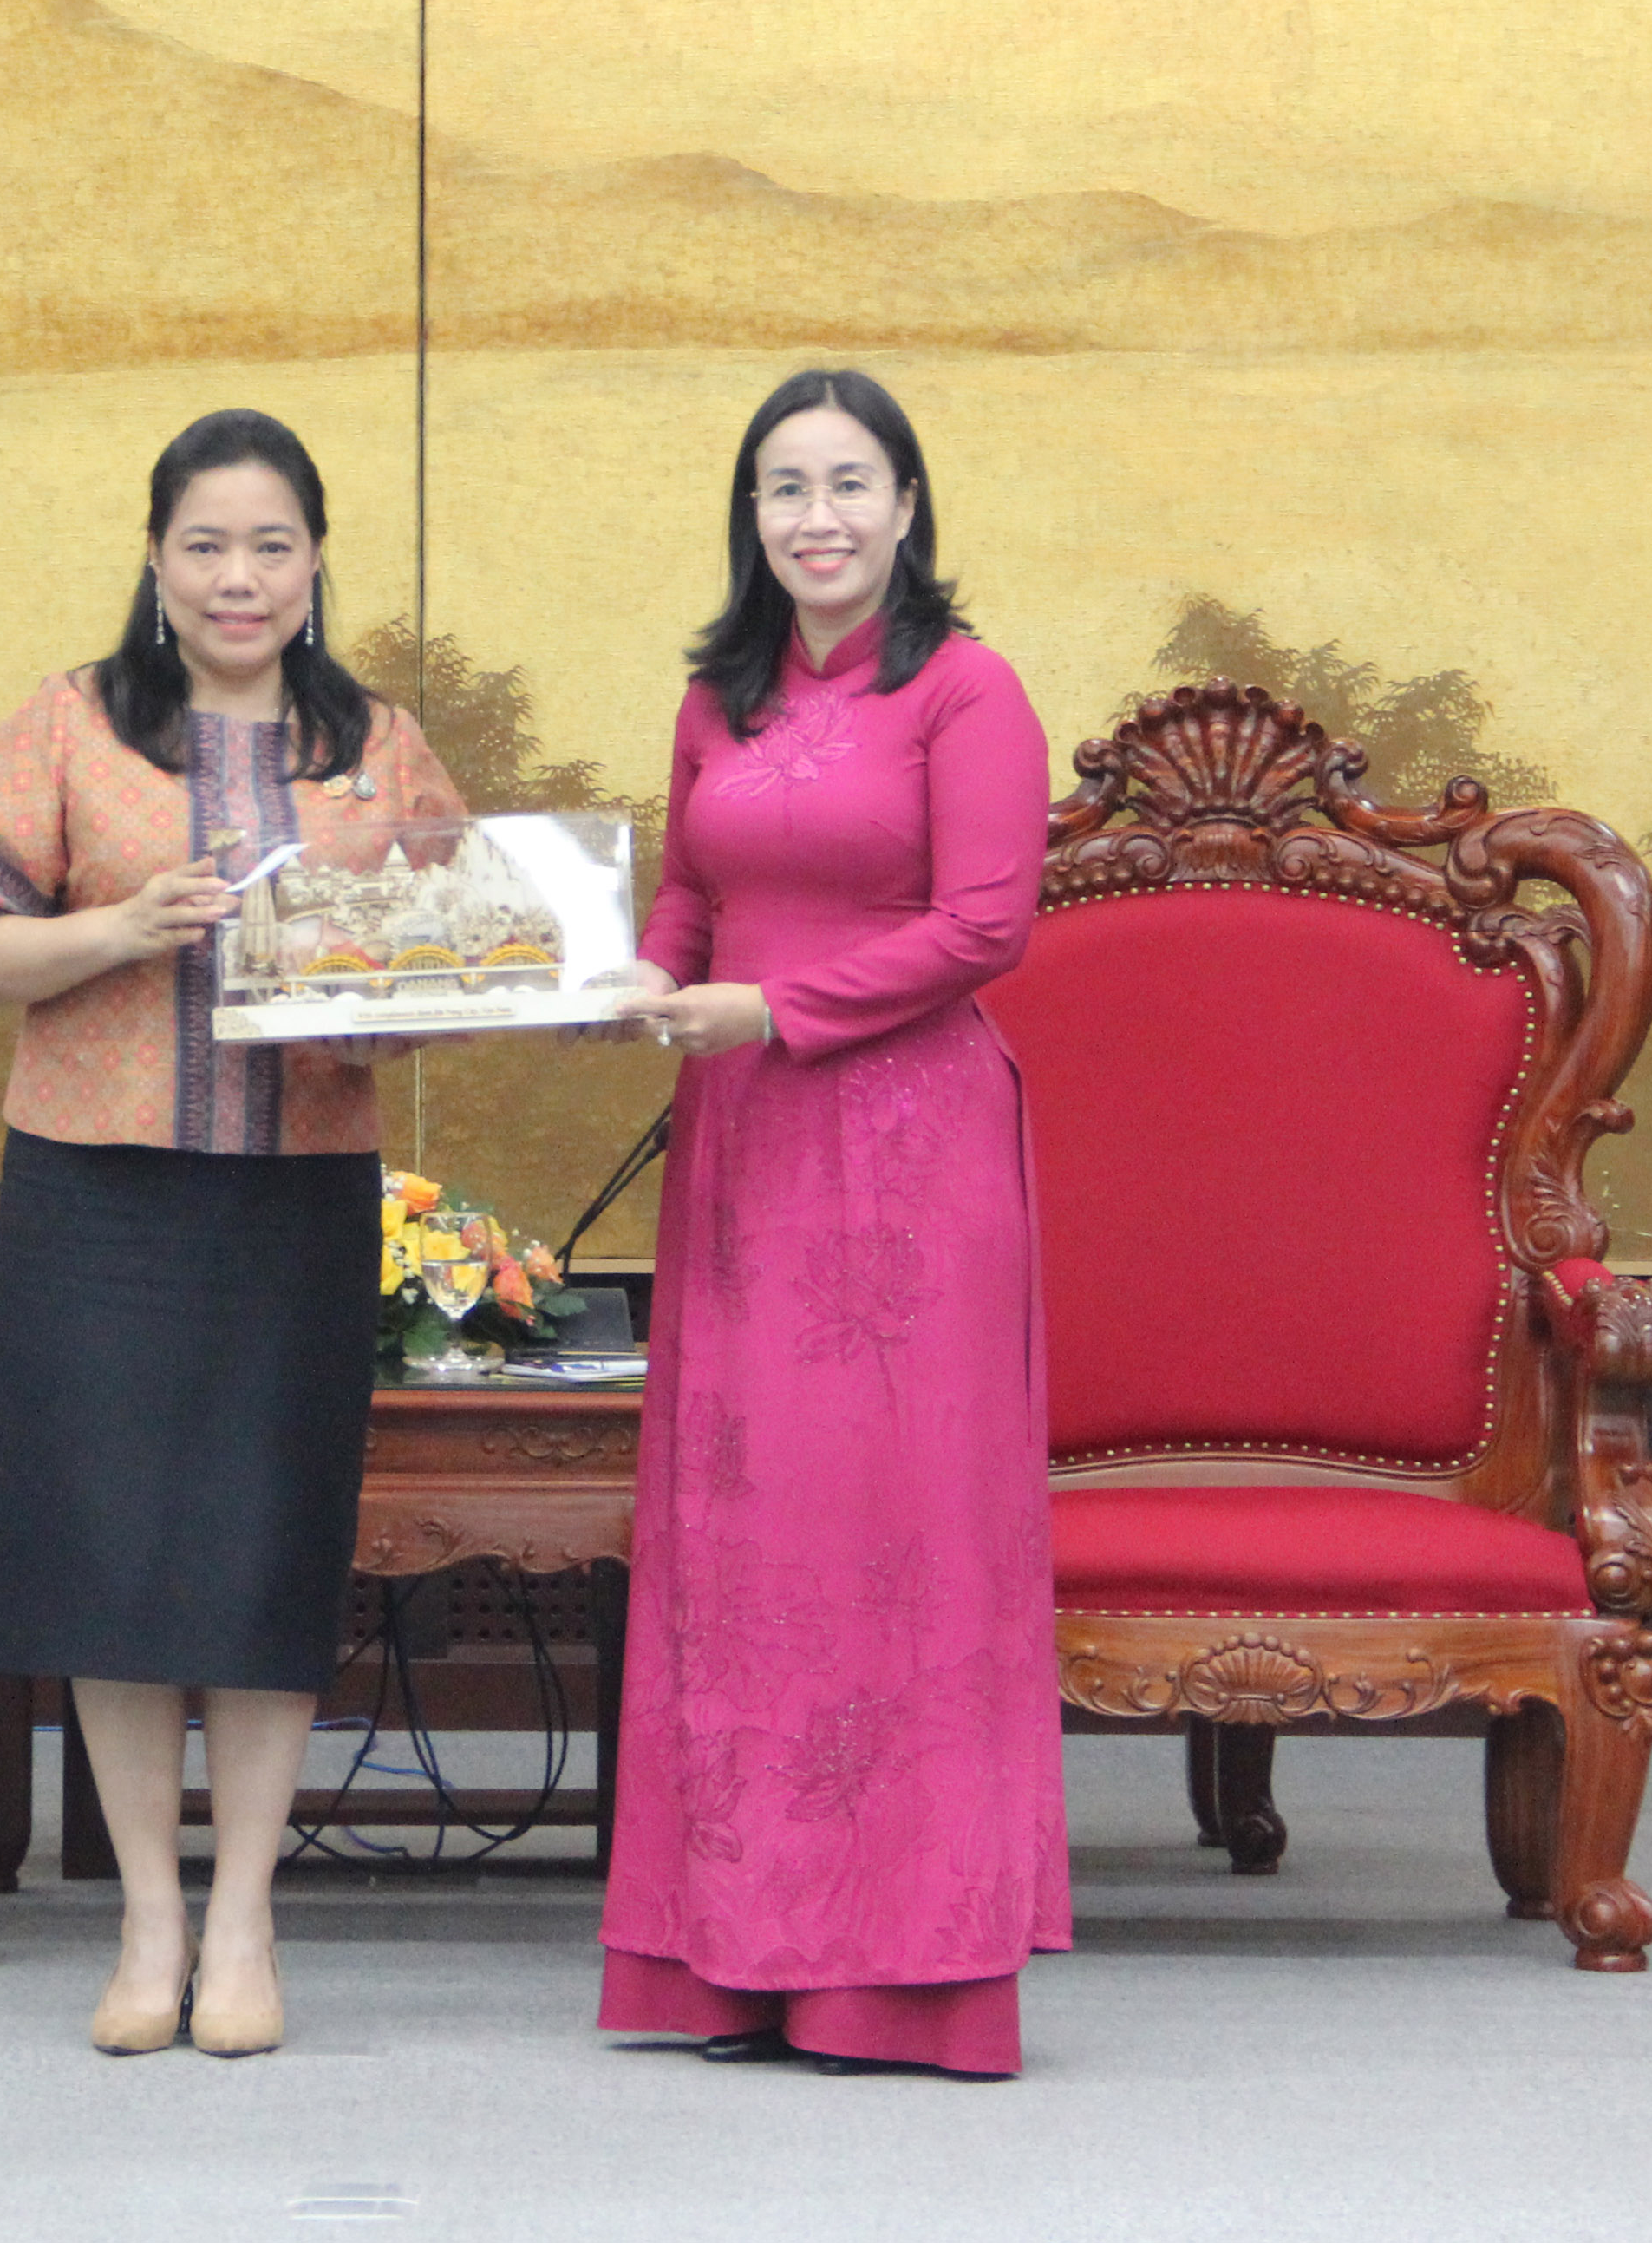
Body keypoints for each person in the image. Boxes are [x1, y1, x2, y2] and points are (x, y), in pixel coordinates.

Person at [0, 409, 463, 2057]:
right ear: (155, 559)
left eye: (271, 544)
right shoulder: (78, 728)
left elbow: (451, 965)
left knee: (267, 1541)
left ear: (313, 563)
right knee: (114, 1551)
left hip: (297, 1192)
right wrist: (118, 927)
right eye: (206, 544)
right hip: (99, 1193)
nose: (239, 576)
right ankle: (147, 1923)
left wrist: (389, 1000)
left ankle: (245, 1923)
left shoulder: (379, 746)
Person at [597, 368, 1068, 2076]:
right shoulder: (716, 694)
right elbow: (692, 886)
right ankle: (730, 1959)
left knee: (896, 1543)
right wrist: (654, 973)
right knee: (749, 1549)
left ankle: (903, 1970)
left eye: (849, 483)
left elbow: (987, 923)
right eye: (784, 486)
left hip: (911, 1154)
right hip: (740, 1154)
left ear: (909, 505)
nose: (817, 515)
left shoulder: (969, 687)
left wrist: (775, 1011)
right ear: (754, 516)